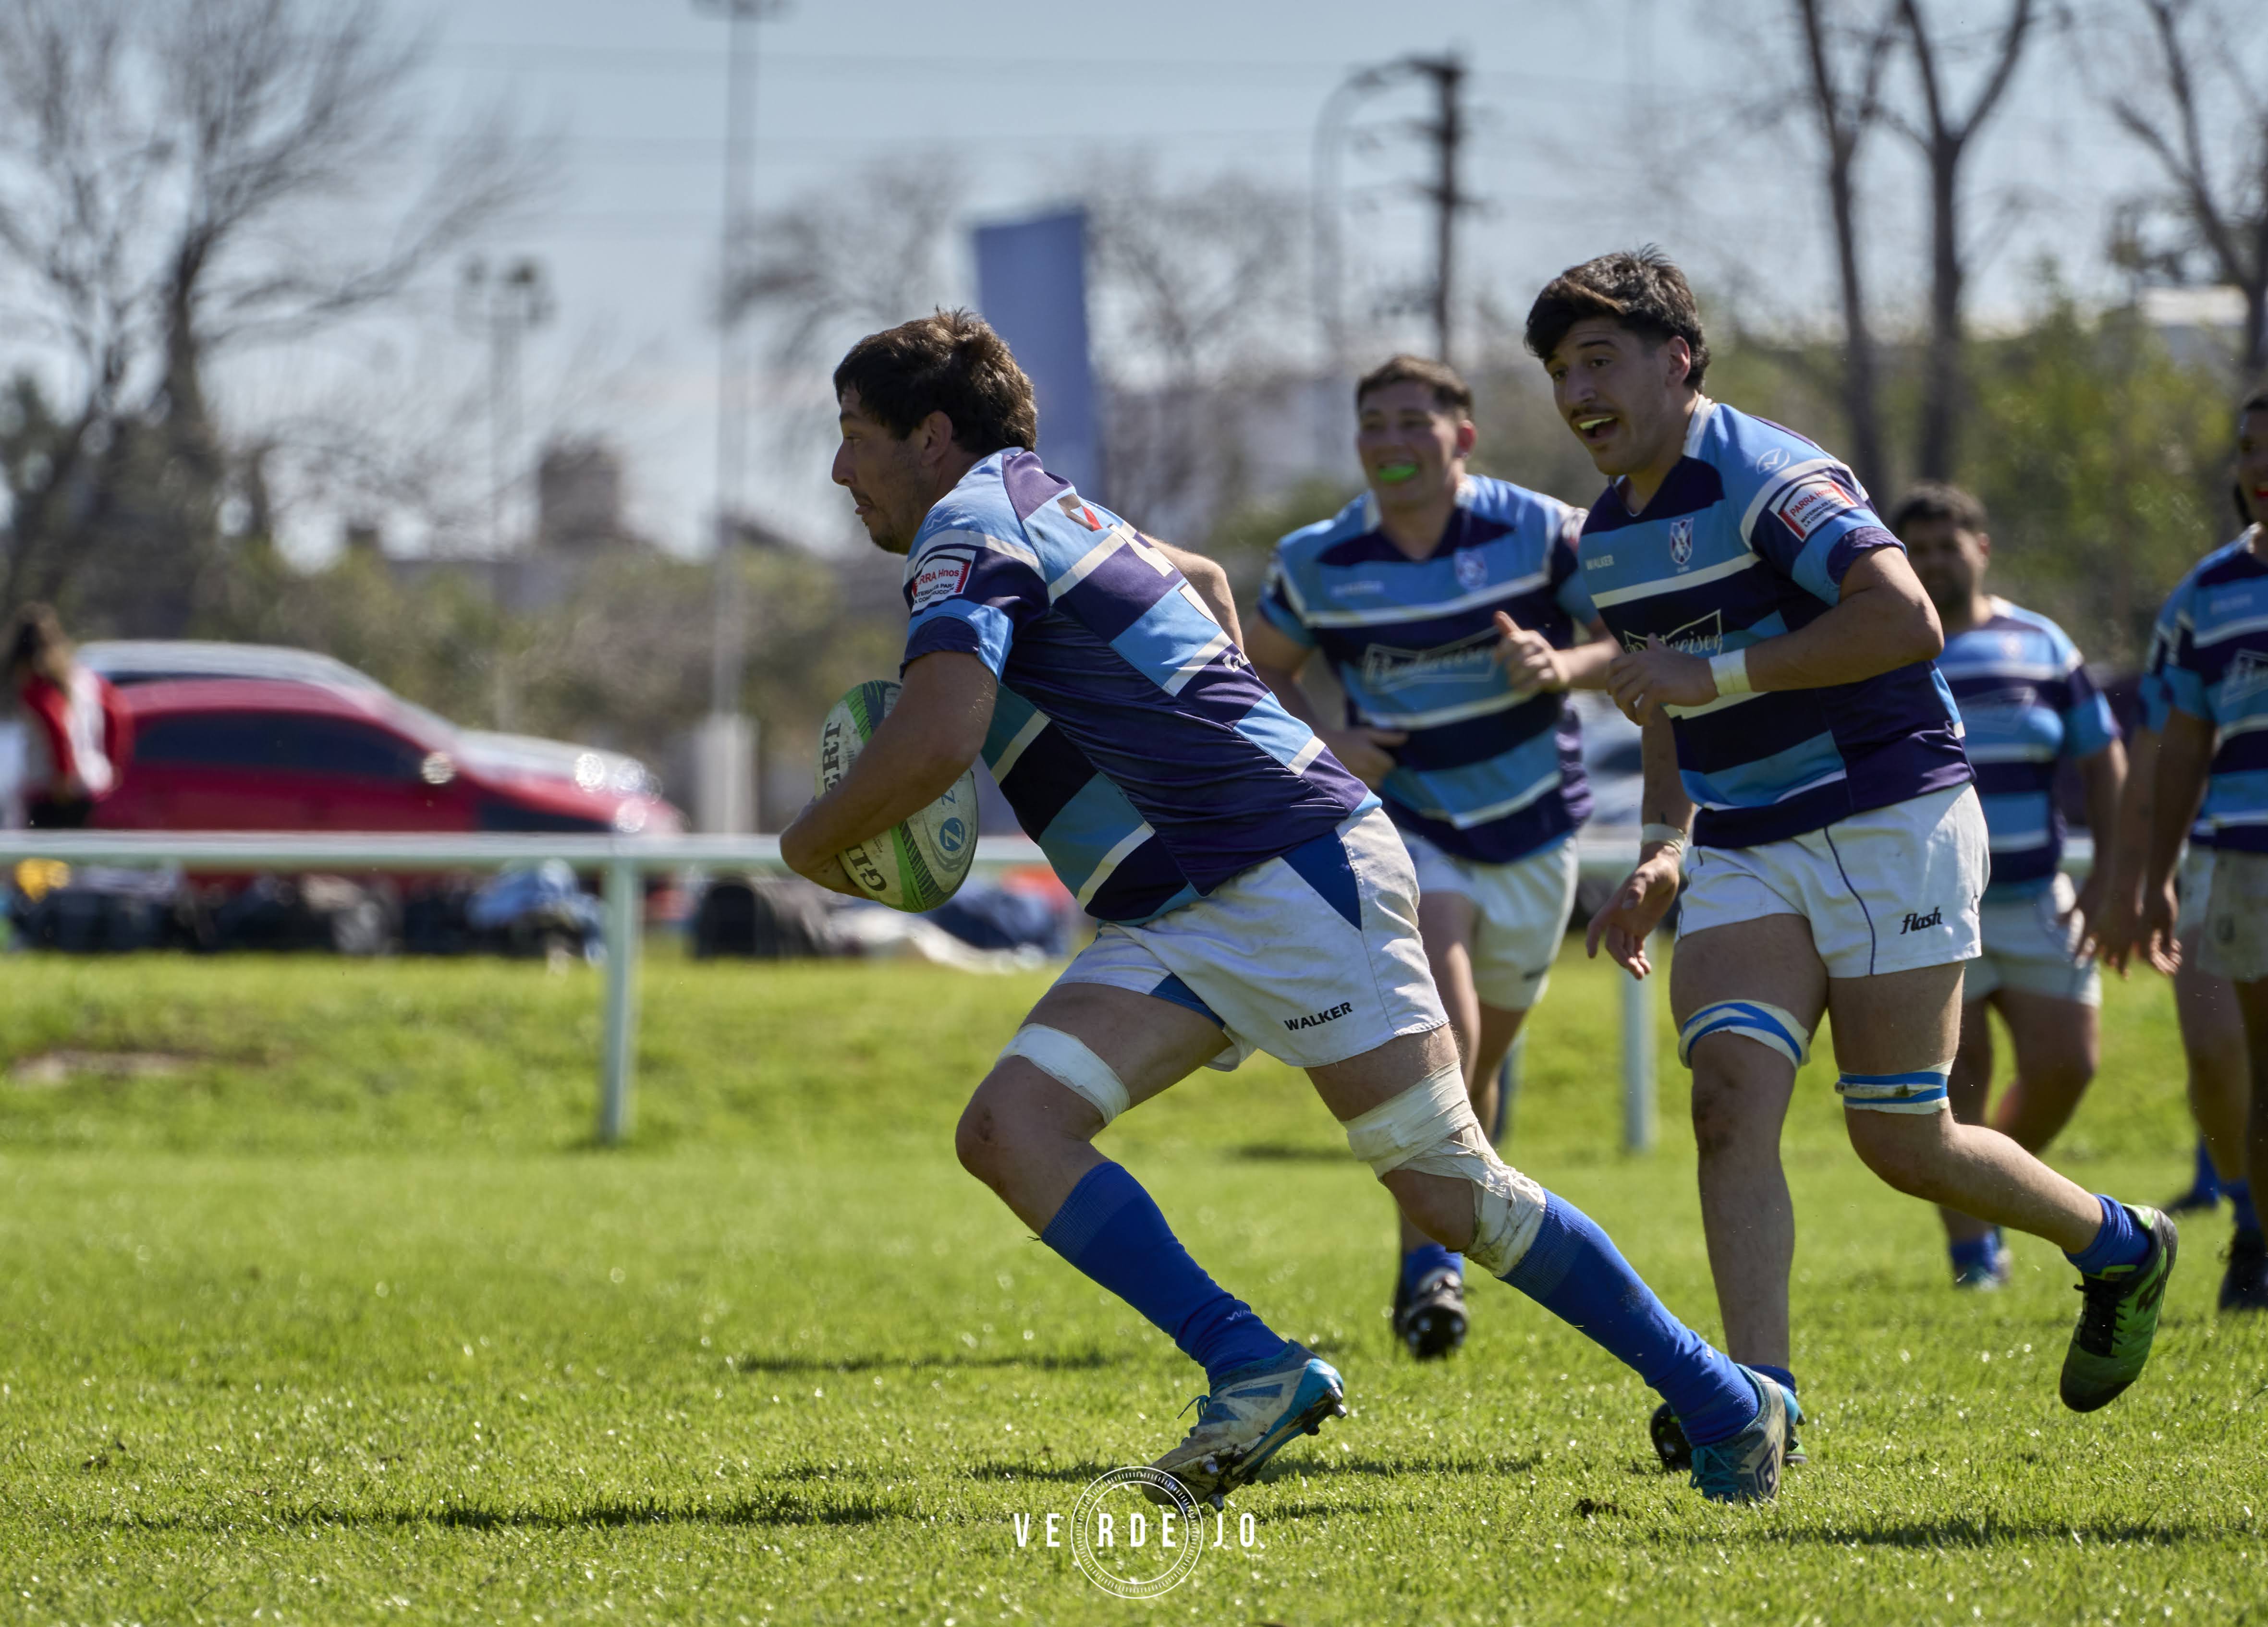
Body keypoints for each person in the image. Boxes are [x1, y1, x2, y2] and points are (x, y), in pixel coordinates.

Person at [781, 308, 1790, 1506]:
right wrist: (1216, 744)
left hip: (1288, 872)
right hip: (1188, 901)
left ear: (931, 434)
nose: (841, 470)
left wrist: (806, 843)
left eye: (853, 436)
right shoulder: (1045, 501)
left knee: (1445, 1189)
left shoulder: (967, 525)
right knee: (1009, 1129)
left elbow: (938, 735)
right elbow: (1205, 578)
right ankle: (1252, 1368)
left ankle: (1728, 1405)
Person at [1522, 249, 2177, 1474]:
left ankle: (2118, 1245)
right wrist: (1664, 851)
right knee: (1725, 1107)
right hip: (1749, 844)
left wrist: (1707, 677)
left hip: (1887, 815)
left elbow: (1899, 618)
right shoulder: (1605, 537)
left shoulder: (1769, 474)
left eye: (1598, 359)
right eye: (1560, 370)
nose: (1575, 391)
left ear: (1677, 360)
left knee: (1901, 1140)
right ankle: (1755, 1404)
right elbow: (1668, 710)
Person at [1248, 353, 1613, 1359]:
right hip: (1405, 825)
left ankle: (1443, 1235)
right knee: (1443, 1031)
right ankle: (1433, 1268)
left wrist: (1564, 663)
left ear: (1463, 436)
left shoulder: (1540, 529)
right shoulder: (1319, 557)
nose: (1393, 443)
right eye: (1375, 424)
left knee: (1477, 1061)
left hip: (1536, 828)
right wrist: (1327, 746)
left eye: (1416, 422)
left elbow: (1634, 640)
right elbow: (1261, 672)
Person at [1896, 485, 2126, 1288]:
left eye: (1943, 545)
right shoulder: (1886, 646)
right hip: (1931, 903)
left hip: (2037, 898)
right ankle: (1972, 1258)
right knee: (1952, 1085)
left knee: (2069, 1064)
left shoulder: (2042, 642)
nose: (1929, 561)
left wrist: (2112, 875)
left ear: (1980, 547)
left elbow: (2103, 758)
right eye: (1914, 549)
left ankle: (1991, 1183)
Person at [2131, 388, 2268, 1312]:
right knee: (2241, 1064)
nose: (2260, 466)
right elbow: (2177, 748)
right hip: (2240, 864)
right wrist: (2151, 881)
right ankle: (2254, 1233)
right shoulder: (2208, 596)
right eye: (2250, 448)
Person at [6, 603, 129, 828]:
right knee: (72, 860)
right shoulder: (83, 678)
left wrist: (63, 776)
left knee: (42, 863)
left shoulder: (38, 685)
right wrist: (112, 765)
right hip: (90, 786)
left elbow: (56, 726)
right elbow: (116, 715)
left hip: (54, 793)